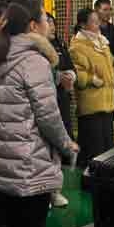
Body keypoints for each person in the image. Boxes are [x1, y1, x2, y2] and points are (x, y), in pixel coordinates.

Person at [0, 0, 78, 227]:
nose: (49, 24)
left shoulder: (0, 56)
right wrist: (67, 144)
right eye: (45, 18)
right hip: (30, 165)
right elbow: (48, 117)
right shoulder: (34, 61)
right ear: (33, 25)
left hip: (3, 162)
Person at [70, 8, 114, 168]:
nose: (98, 25)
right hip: (91, 105)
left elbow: (112, 63)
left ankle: (104, 179)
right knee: (93, 149)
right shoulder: (77, 46)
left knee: (107, 147)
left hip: (108, 102)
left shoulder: (102, 42)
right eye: (94, 22)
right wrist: (91, 79)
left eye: (98, 21)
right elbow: (76, 72)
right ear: (83, 25)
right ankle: (89, 178)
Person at [45, 12, 76, 208]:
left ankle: (55, 191)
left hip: (61, 102)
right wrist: (58, 78)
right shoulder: (35, 49)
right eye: (47, 22)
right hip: (45, 103)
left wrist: (70, 76)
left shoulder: (60, 45)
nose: (51, 26)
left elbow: (70, 66)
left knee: (57, 148)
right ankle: (43, 192)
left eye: (52, 22)